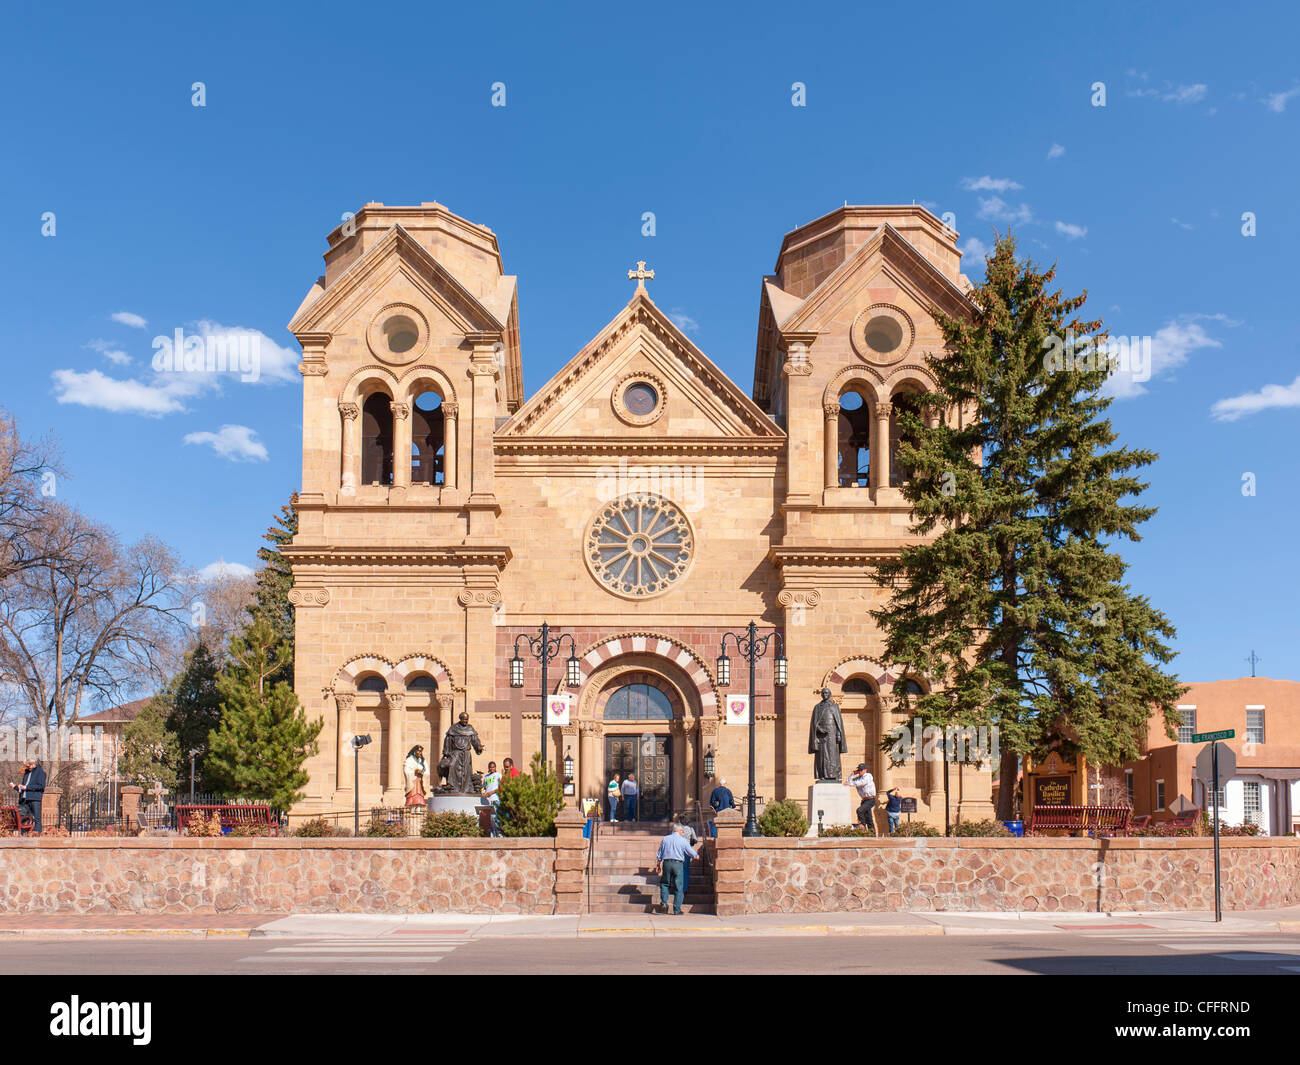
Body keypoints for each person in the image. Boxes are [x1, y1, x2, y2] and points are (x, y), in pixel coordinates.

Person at [654, 822, 701, 915]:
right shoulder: (683, 840)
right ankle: (676, 909)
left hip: (667, 863)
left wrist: (658, 864)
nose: (682, 833)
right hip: (678, 864)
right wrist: (696, 856)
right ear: (679, 831)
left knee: (664, 883)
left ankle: (664, 904)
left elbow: (660, 852)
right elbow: (690, 851)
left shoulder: (665, 839)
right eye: (682, 831)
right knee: (679, 886)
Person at [9, 759, 46, 835]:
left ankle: (37, 834)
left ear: (33, 764)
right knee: (22, 817)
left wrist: (26, 787)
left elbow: (41, 786)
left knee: (37, 818)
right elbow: (24, 787)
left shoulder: (40, 773)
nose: (27, 767)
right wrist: (16, 787)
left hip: (35, 798)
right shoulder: (27, 773)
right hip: (25, 799)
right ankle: (22, 834)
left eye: (28, 765)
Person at [847, 762, 877, 835]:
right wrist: (852, 774)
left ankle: (862, 825)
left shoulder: (868, 776)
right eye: (859, 770)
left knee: (860, 810)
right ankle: (872, 834)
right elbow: (848, 782)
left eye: (861, 770)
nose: (859, 771)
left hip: (870, 799)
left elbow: (861, 783)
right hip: (864, 800)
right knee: (869, 818)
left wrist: (851, 783)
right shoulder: (857, 778)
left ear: (865, 770)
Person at [674, 815, 699, 899]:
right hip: (687, 851)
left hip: (677, 851)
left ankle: (677, 887)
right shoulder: (691, 829)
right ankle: (684, 889)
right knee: (685, 870)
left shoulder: (677, 828)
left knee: (677, 869)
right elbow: (695, 840)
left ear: (680, 821)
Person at [482, 761, 503, 837]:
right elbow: (484, 787)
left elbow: (501, 787)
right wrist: (484, 793)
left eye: (493, 767)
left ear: (495, 767)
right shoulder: (486, 777)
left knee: (495, 817)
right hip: (488, 800)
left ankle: (499, 833)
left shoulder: (498, 775)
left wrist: (493, 792)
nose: (492, 768)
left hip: (495, 799)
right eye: (490, 767)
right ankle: (492, 833)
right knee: (490, 818)